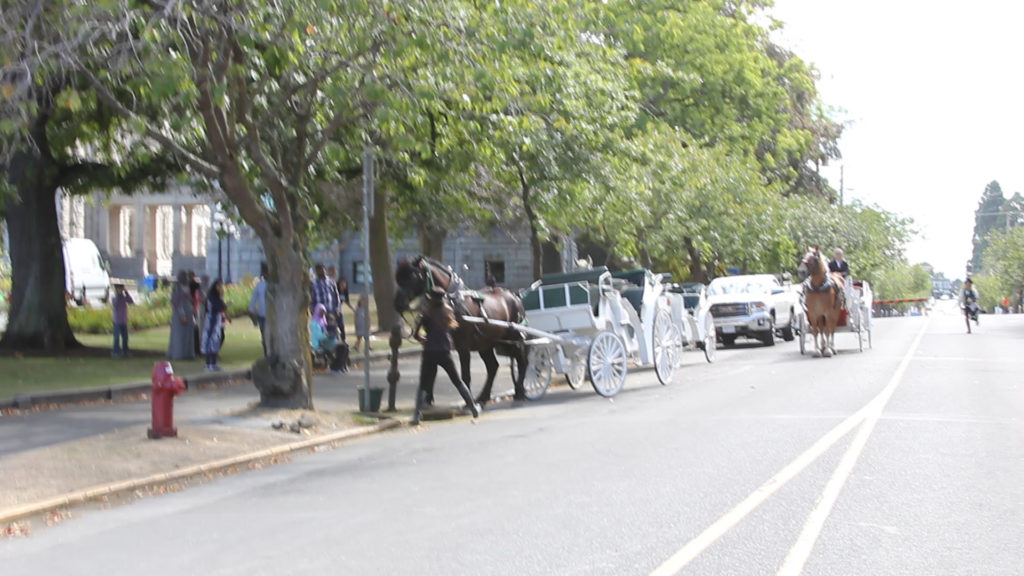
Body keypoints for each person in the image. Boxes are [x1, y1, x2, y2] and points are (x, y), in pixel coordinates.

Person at [410, 288, 479, 425]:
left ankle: (417, 415)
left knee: (423, 383)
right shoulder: (448, 312)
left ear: (431, 299)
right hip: (444, 351)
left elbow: (416, 334)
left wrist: (423, 339)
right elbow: (450, 329)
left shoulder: (426, 314)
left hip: (429, 351)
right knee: (457, 381)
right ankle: (472, 407)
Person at [310, 304, 346, 374]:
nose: (323, 313)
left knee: (344, 346)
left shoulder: (323, 322)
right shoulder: (314, 323)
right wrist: (328, 335)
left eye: (324, 312)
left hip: (327, 341)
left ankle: (340, 366)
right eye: (321, 311)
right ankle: (334, 367)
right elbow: (318, 336)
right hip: (318, 343)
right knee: (342, 347)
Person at [168, 271, 196, 360]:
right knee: (179, 335)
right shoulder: (177, 288)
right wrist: (182, 314)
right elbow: (177, 303)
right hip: (180, 314)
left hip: (188, 312)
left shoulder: (187, 286)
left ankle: (187, 354)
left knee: (188, 334)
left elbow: (189, 299)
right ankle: (178, 354)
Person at [201, 279, 228, 371]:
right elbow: (221, 306)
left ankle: (213, 363)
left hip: (216, 321)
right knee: (210, 342)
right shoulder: (212, 297)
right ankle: (208, 364)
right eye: (219, 286)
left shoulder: (214, 297)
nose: (221, 288)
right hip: (212, 321)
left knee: (216, 342)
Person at [248, 262, 268, 357]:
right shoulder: (260, 286)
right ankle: (266, 355)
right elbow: (254, 299)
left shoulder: (276, 285)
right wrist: (251, 310)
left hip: (274, 317)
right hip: (262, 316)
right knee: (264, 338)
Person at [111, 284, 134, 357]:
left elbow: (131, 301)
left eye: (121, 288)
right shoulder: (114, 297)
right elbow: (115, 304)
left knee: (125, 337)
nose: (120, 290)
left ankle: (125, 351)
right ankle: (115, 351)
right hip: (117, 321)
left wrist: (126, 292)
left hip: (124, 320)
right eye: (119, 289)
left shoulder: (124, 298)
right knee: (117, 337)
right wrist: (118, 294)